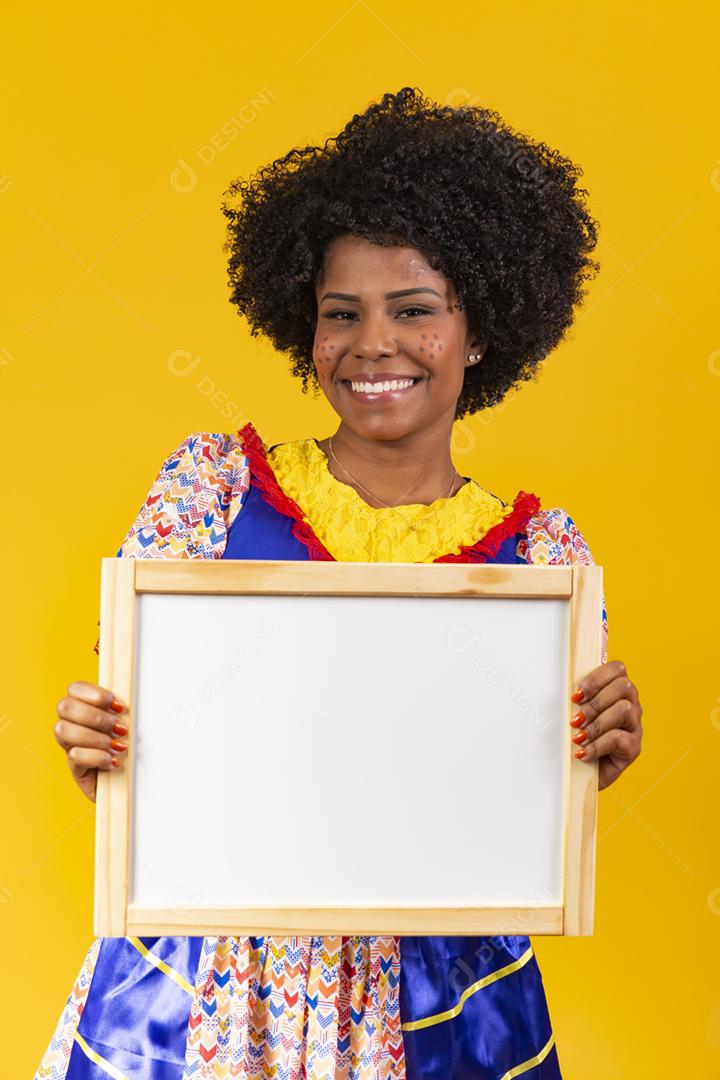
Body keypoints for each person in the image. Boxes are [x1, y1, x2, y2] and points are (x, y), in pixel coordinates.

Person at [37, 87, 643, 1079]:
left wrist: (585, 759)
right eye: (341, 314)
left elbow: (514, 795)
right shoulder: (212, 492)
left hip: (439, 998)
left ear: (481, 331)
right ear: (303, 327)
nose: (373, 346)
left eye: (416, 311)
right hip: (215, 988)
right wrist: (102, 747)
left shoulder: (545, 562)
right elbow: (153, 742)